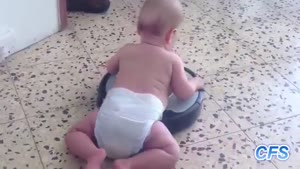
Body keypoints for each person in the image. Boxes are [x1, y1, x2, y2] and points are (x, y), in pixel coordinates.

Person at [65, 0, 204, 169]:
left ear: (138, 28)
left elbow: (110, 69)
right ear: (170, 35)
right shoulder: (173, 60)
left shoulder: (127, 50)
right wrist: (195, 83)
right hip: (142, 125)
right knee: (171, 152)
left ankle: (93, 155)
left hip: (108, 117)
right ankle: (129, 164)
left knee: (75, 133)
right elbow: (184, 93)